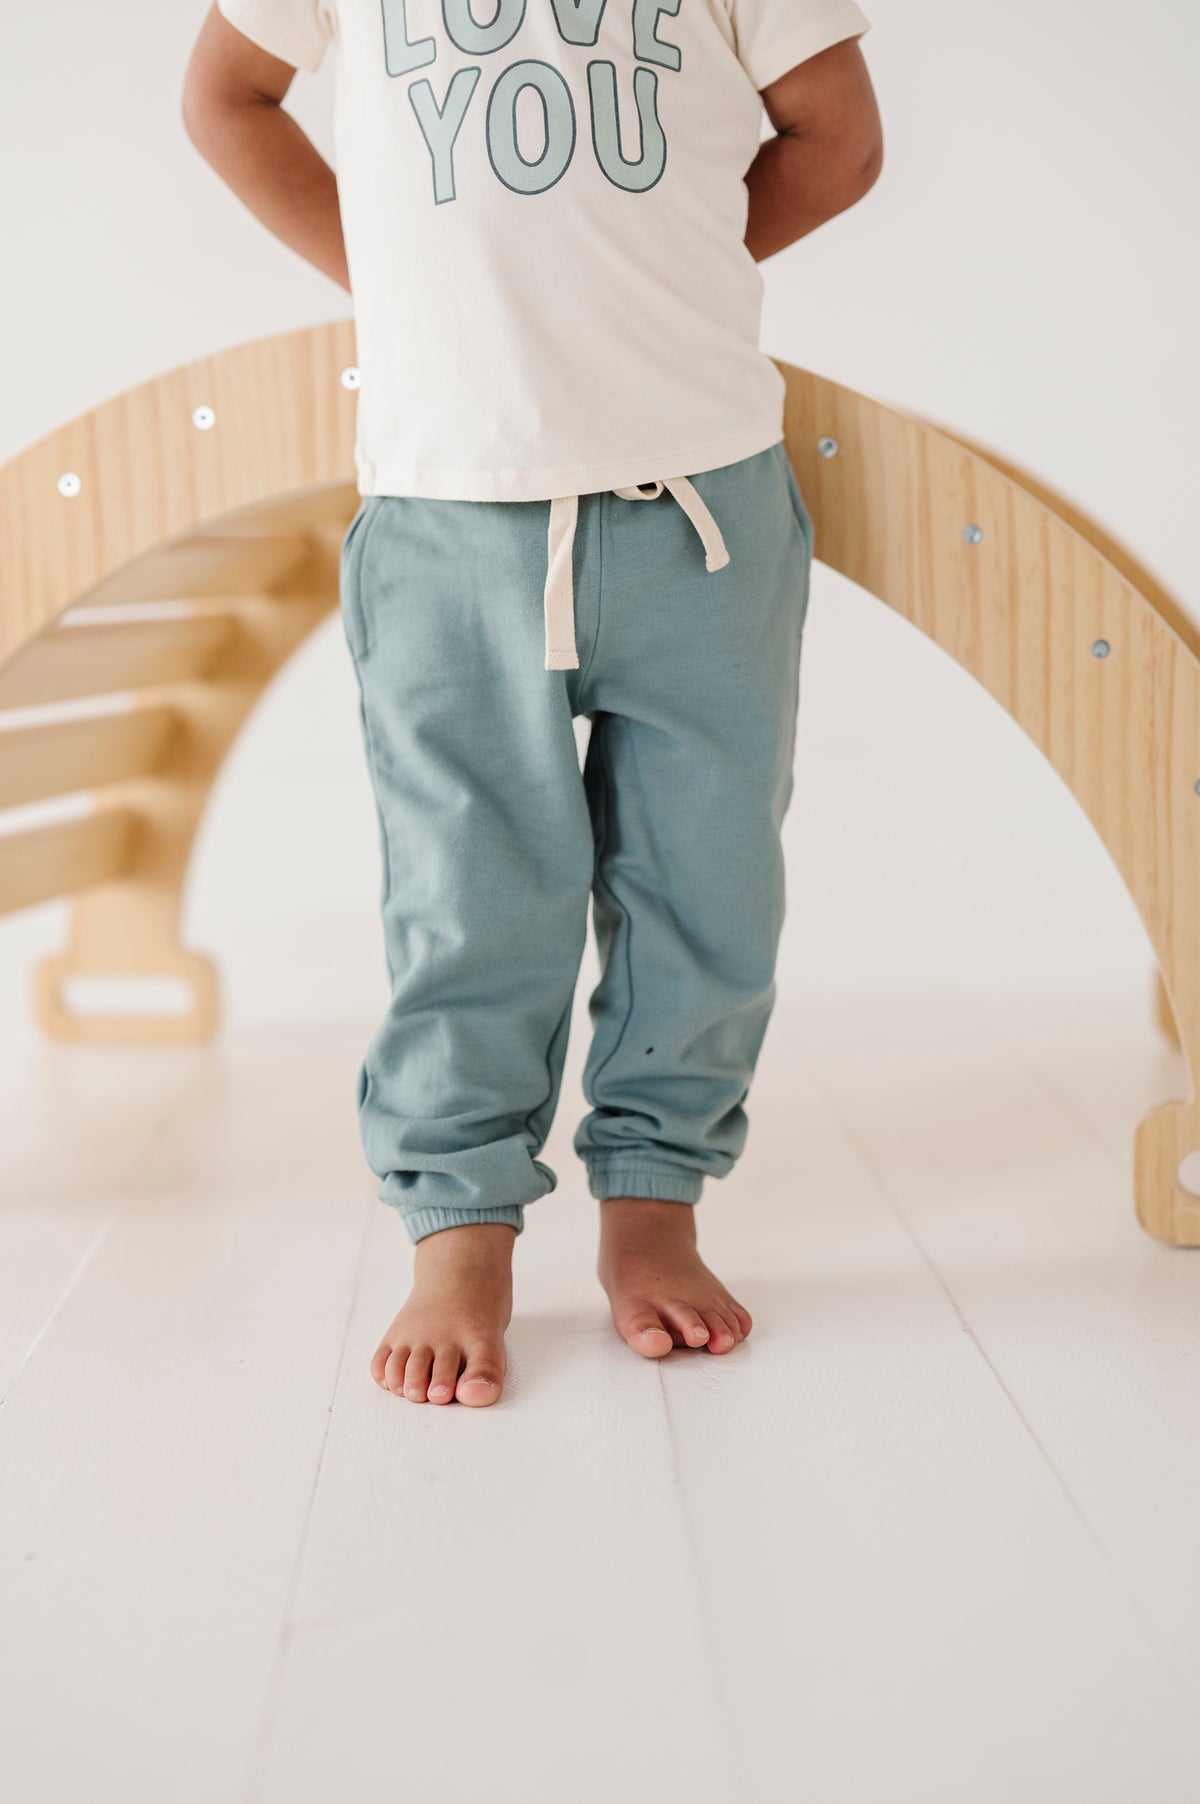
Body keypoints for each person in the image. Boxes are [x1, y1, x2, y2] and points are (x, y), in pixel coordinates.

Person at [182, 0, 883, 1407]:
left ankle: (654, 1203)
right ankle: (460, 1227)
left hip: (700, 506)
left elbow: (840, 139)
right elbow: (225, 97)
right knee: (468, 889)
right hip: (450, 512)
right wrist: (393, 278)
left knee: (708, 879)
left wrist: (660, 277)